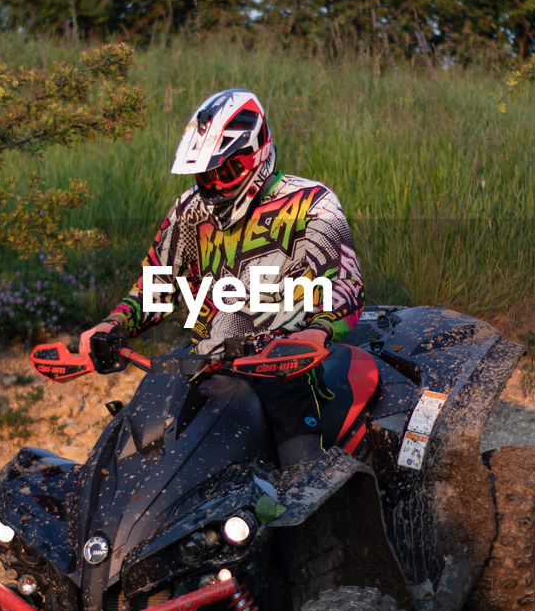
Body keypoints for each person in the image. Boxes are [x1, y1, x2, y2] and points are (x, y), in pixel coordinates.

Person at [79, 89, 364, 468]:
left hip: (284, 369)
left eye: (225, 171)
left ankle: (324, 523)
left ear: (257, 153)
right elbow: (157, 287)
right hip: (204, 368)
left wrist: (318, 331)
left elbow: (345, 284)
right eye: (205, 174)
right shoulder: (189, 210)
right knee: (134, 449)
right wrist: (113, 324)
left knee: (303, 474)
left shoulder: (312, 202)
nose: (214, 185)